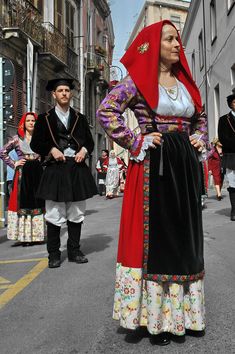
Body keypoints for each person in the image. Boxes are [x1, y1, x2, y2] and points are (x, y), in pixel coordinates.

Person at [97, 20, 207, 345]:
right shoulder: (138, 83)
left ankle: (183, 317)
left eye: (177, 40)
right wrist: (135, 139)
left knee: (185, 238)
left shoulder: (186, 83)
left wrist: (199, 136)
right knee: (157, 241)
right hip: (154, 166)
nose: (177, 45)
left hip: (184, 167)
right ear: (154, 46)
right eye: (170, 39)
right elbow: (107, 111)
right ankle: (155, 320)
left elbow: (199, 118)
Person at [30, 78, 97, 268]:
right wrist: (52, 149)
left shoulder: (79, 117)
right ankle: (53, 254)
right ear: (54, 94)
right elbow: (36, 143)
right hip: (55, 169)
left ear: (71, 94)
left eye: (67, 90)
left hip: (76, 168)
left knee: (76, 212)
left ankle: (75, 250)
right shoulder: (44, 119)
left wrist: (84, 151)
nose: (64, 93)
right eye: (60, 91)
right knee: (54, 212)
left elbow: (89, 142)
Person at [0, 112, 45, 245]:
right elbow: (2, 152)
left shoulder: (40, 138)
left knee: (38, 202)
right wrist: (14, 164)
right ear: (23, 123)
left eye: (33, 121)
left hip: (37, 173)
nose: (31, 123)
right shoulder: (16, 138)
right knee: (23, 203)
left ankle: (37, 236)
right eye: (28, 121)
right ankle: (25, 237)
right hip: (22, 174)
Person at [218, 93, 235, 221]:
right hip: (231, 155)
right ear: (230, 104)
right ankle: (234, 211)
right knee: (233, 183)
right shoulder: (224, 119)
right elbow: (223, 138)